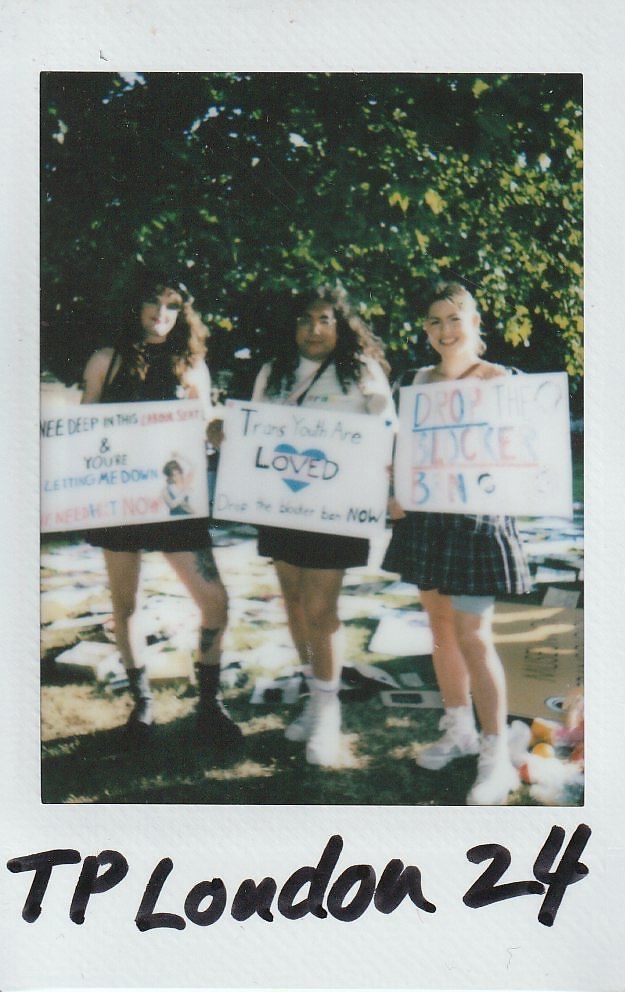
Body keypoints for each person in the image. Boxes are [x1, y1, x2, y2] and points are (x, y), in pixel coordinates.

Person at [384, 281, 532, 805]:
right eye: (435, 321)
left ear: (475, 323)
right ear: (426, 330)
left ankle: (495, 756)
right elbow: (399, 449)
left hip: (476, 523)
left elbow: (522, 451)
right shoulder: (413, 383)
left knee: (474, 634)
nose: (445, 330)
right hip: (427, 523)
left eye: (455, 318)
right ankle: (459, 730)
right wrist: (394, 489)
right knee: (440, 627)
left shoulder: (502, 380)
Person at [81, 269, 242, 748]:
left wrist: (216, 432)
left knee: (215, 601)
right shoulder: (105, 361)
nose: (162, 314)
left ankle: (209, 704)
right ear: (136, 307)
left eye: (173, 306)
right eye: (154, 303)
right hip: (121, 502)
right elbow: (85, 430)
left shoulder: (192, 366)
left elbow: (205, 426)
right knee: (125, 605)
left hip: (175, 502)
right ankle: (142, 704)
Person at [251, 286, 395, 766]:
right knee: (293, 602)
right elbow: (255, 430)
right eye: (305, 320)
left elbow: (387, 427)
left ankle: (329, 713)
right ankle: (315, 698)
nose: (313, 329)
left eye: (324, 319)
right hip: (284, 505)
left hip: (337, 511)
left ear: (341, 325)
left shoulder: (361, 372)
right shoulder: (274, 373)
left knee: (321, 607)